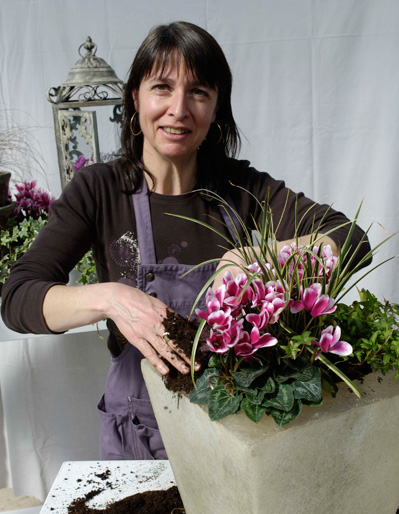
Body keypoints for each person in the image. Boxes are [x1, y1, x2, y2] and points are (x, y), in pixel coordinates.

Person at [1, 21, 370, 460]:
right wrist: (111, 299)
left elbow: (351, 239)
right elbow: (18, 297)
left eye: (198, 91)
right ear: (135, 99)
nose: (179, 108)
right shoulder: (98, 190)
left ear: (215, 109)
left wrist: (254, 256)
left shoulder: (240, 188)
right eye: (162, 87)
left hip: (232, 436)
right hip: (138, 438)